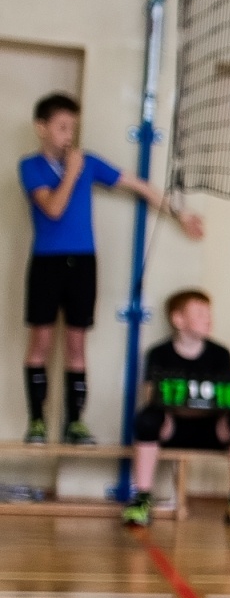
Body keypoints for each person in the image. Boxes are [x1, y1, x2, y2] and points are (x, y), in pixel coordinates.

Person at [19, 93, 203, 445]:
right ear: (41, 128)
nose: (68, 135)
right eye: (60, 128)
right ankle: (37, 422)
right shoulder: (31, 167)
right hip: (46, 263)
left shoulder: (88, 162)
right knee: (40, 341)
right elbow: (53, 209)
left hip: (83, 263)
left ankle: (75, 423)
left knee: (77, 344)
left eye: (72, 128)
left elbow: (137, 185)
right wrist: (72, 173)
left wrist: (180, 214)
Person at [121, 290, 230, 531]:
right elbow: (150, 397)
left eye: (209, 314)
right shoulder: (160, 354)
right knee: (147, 419)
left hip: (211, 430)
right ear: (178, 319)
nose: (208, 319)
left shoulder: (220, 354)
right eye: (200, 314)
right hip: (173, 428)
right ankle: (142, 497)